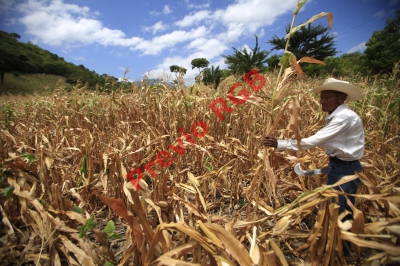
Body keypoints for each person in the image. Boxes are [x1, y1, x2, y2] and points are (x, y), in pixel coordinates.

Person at [263, 77, 364, 222]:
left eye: (327, 97)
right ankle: (336, 242)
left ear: (341, 98)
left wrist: (279, 143)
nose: (322, 101)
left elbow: (313, 141)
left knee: (341, 214)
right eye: (321, 98)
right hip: (339, 167)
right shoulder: (338, 116)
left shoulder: (344, 118)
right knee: (336, 209)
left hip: (344, 170)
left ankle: (344, 244)